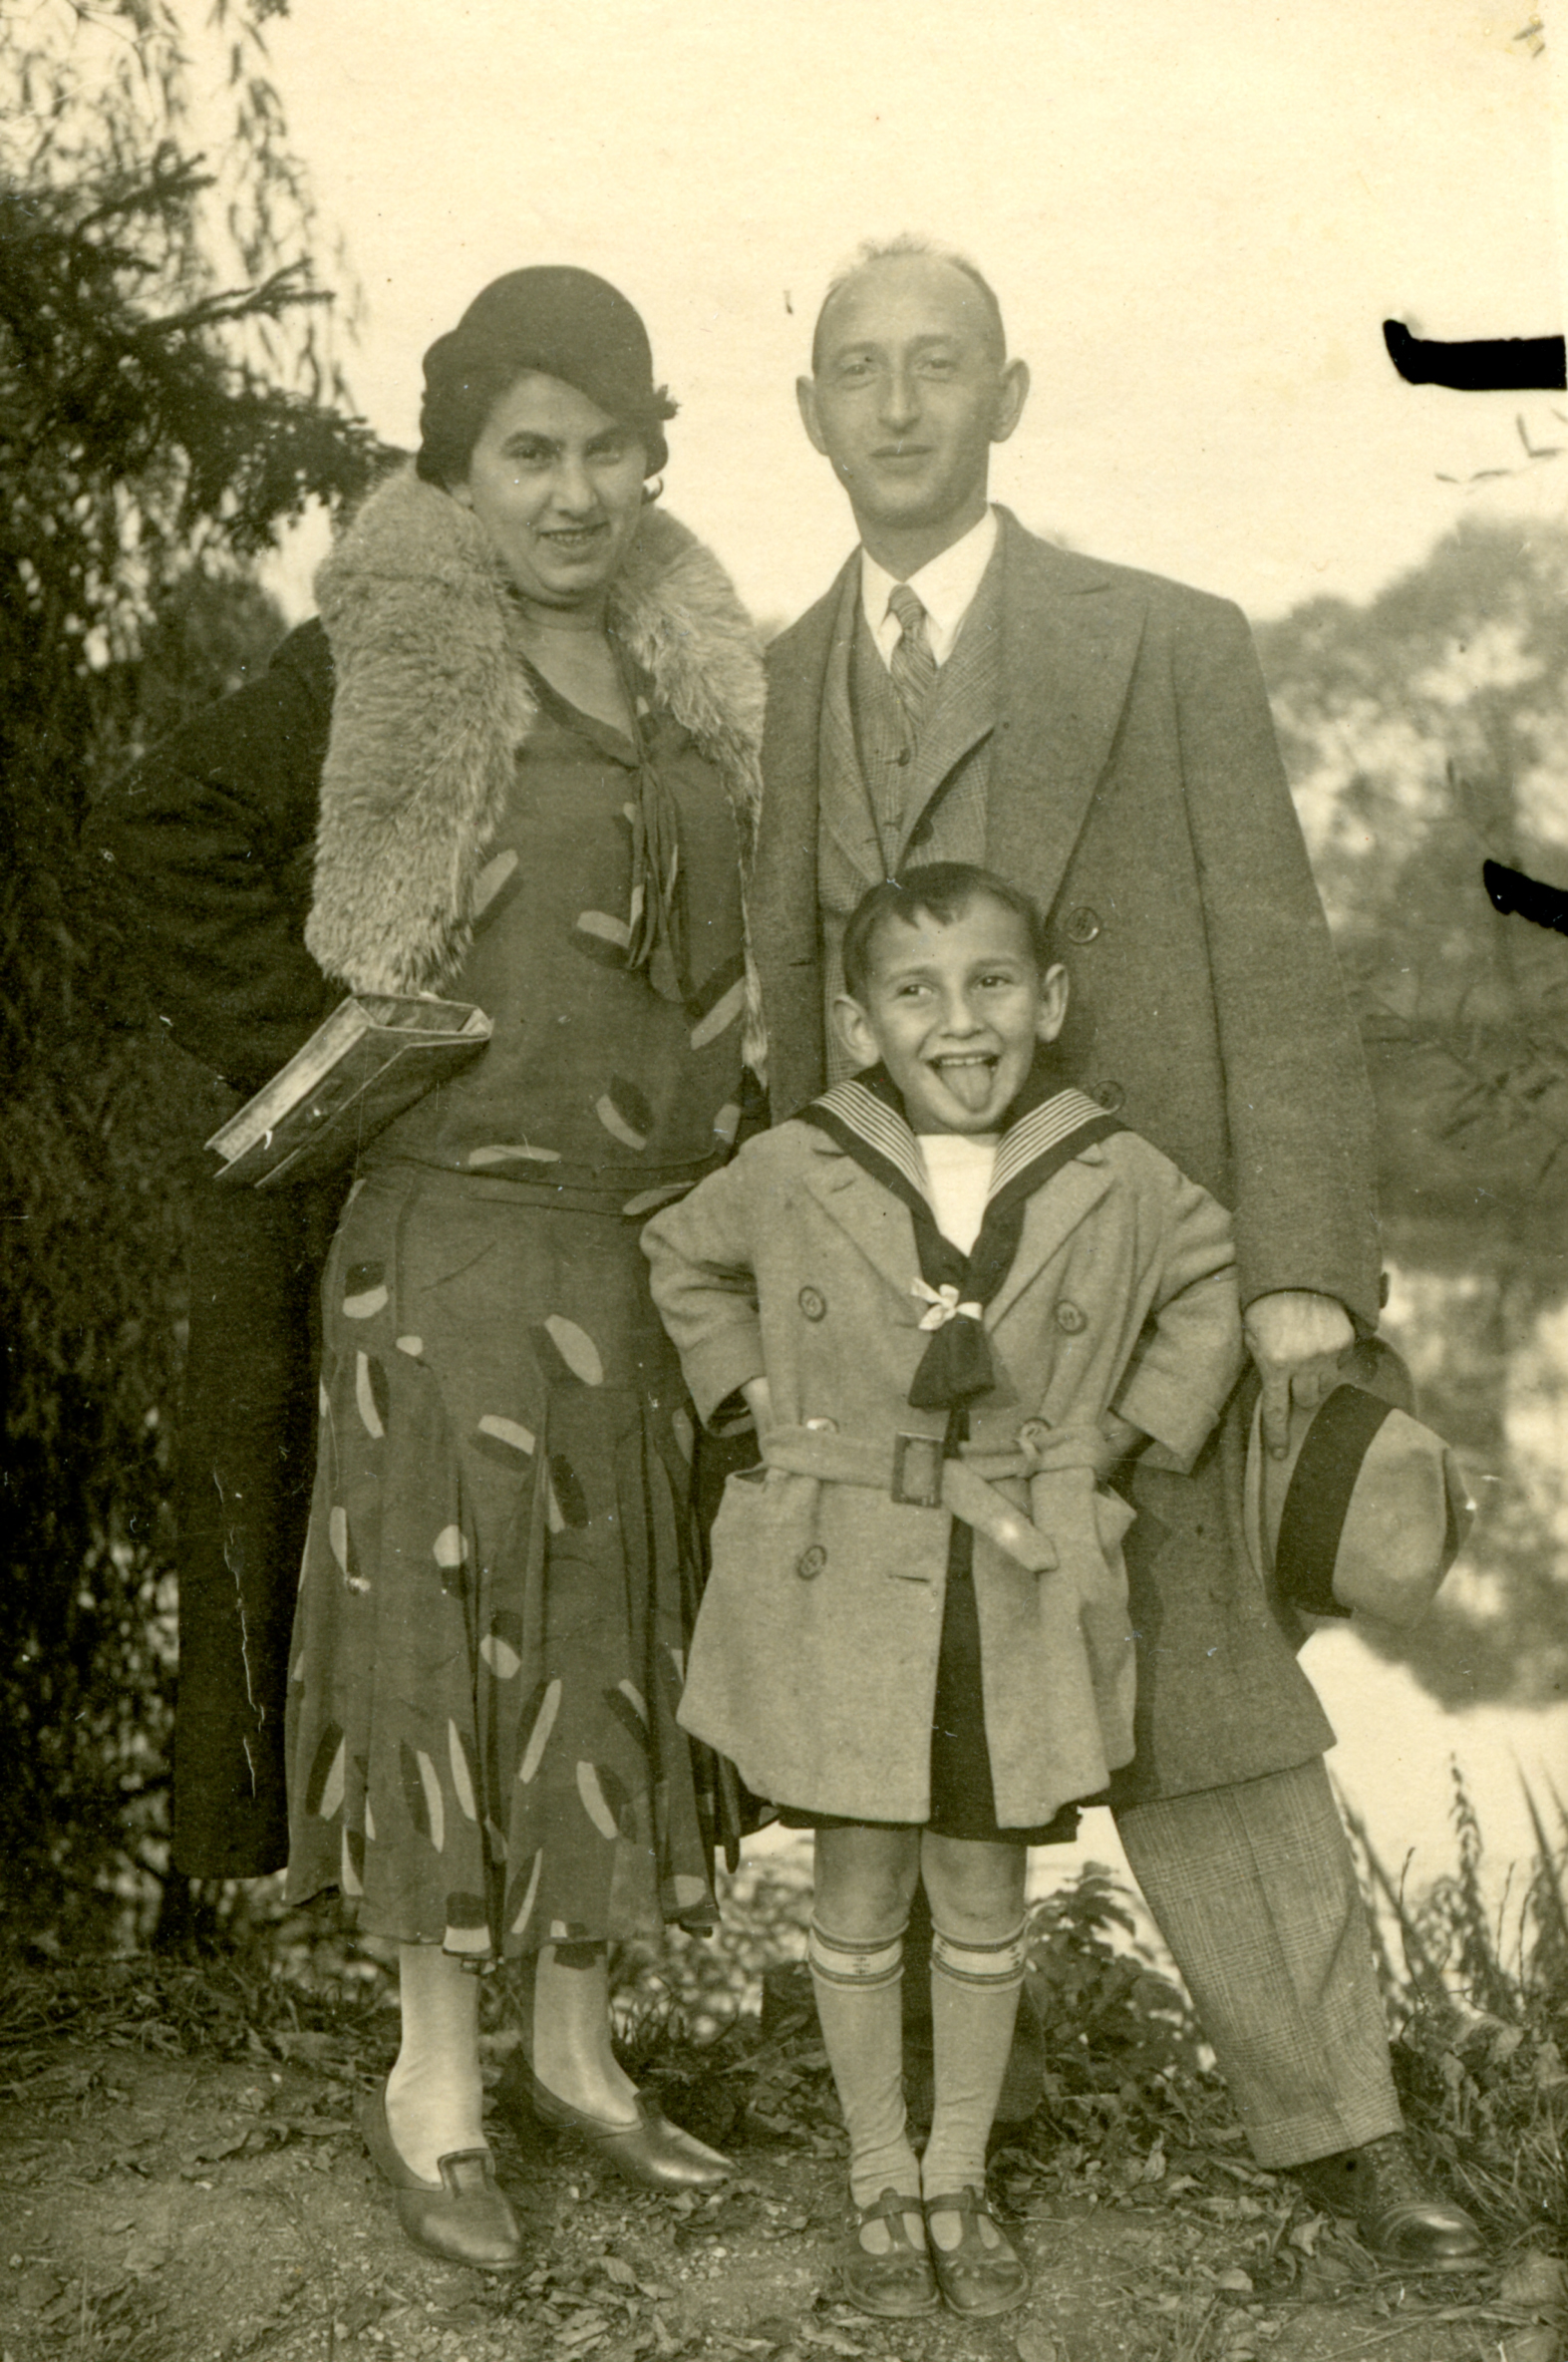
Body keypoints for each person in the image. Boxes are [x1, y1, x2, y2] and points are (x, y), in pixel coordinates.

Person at [746, 235, 1482, 2265]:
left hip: (1138, 1267)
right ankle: (928, 2147)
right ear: (809, 414)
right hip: (899, 1307)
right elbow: (792, 1018)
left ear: (1007, 397)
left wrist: (1302, 1264)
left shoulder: (1161, 642)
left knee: (1209, 1692)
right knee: (895, 1702)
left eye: (939, 364)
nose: (899, 404)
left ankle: (1343, 2133)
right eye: (857, 369)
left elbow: (1279, 965)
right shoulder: (783, 682)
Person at [90, 267, 766, 2268]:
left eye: (610, 449)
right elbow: (153, 837)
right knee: (440, 1640)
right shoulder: (384, 654)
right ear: (457, 472)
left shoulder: (696, 677)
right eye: (528, 453)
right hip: (448, 1237)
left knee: (611, 1637)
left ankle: (575, 2054)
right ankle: (436, 2082)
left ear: (653, 457)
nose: (574, 493)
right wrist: (333, 1042)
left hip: (647, 1251)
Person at [645, 863, 1244, 2318]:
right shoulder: (800, 1162)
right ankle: (876, 2173)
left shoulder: (1112, 1168)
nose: (957, 1021)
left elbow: (1211, 1280)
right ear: (861, 1027)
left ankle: (955, 2173)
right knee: (857, 1874)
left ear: (1048, 1000)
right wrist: (756, 1405)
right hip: (846, 1562)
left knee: (980, 1878)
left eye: (991, 985)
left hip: (1016, 1574)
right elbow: (682, 1255)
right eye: (915, 993)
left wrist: (1114, 1440)